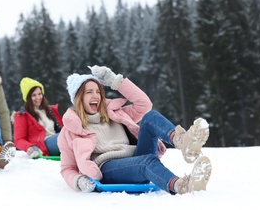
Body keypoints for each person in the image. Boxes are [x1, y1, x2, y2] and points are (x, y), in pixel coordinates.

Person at [58, 65, 212, 194]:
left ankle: (182, 141)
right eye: (89, 92)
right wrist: (78, 181)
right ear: (78, 98)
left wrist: (115, 81)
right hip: (108, 168)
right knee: (147, 162)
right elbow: (67, 168)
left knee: (150, 117)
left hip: (135, 157)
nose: (96, 96)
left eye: (98, 91)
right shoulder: (70, 130)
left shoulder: (114, 113)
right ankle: (181, 186)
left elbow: (144, 104)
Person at [13, 77, 63, 158]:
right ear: (28, 98)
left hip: (57, 139)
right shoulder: (22, 115)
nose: (38, 98)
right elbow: (18, 140)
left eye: (40, 94)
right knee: (67, 135)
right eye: (34, 95)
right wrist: (30, 147)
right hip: (43, 145)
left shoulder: (50, 110)